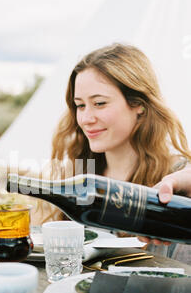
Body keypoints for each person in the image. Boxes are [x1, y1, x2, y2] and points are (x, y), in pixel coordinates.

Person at [49, 43, 191, 262]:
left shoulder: (178, 180)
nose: (86, 119)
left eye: (99, 103)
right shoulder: (77, 174)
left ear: (139, 105)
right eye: (80, 105)